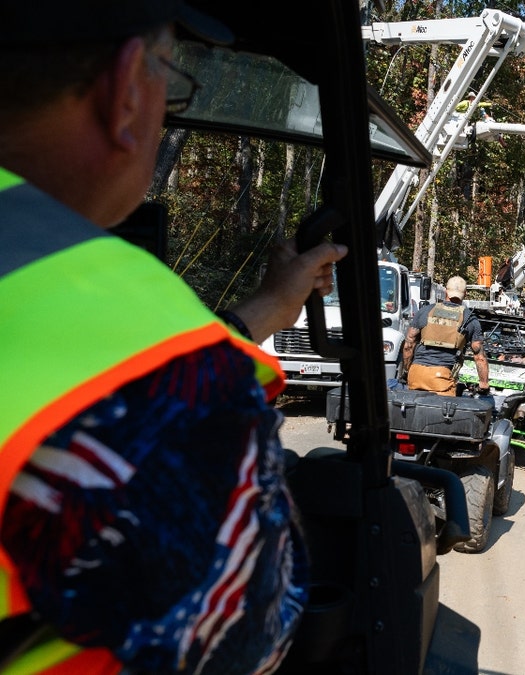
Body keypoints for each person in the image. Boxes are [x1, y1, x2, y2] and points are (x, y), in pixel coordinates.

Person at [0, 2, 350, 672]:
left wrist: (261, 314)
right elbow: (255, 628)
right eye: (172, 78)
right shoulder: (146, 352)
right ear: (127, 89)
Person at [403, 276, 491, 396]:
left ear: (446, 291)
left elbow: (409, 345)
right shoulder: (470, 319)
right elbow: (480, 357)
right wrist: (484, 383)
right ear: (465, 294)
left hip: (416, 373)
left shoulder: (425, 311)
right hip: (442, 379)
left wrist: (407, 370)